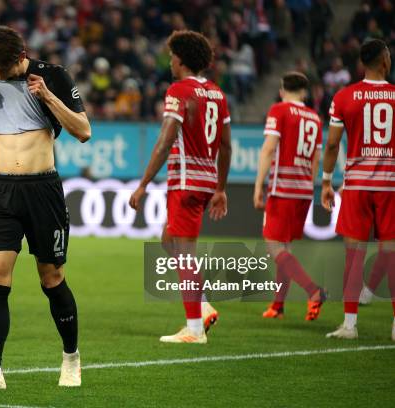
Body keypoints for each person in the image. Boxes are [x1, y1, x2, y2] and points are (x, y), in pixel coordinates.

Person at [0, 26, 91, 390]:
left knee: (52, 279)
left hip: (42, 190)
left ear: (21, 55)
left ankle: (71, 357)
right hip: (1, 191)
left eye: (3, 68)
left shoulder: (52, 77)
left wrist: (48, 98)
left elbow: (83, 130)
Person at [129, 30, 232, 344]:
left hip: (185, 182)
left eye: (172, 55)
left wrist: (143, 183)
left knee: (184, 254)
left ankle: (194, 329)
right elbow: (226, 146)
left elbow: (164, 141)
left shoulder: (178, 90)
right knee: (168, 240)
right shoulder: (217, 92)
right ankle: (201, 305)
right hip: (205, 182)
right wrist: (220, 188)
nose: (169, 60)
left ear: (182, 58)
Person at [322, 39, 395, 340]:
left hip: (357, 184)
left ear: (362, 63)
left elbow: (332, 144)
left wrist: (326, 180)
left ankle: (349, 325)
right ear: (385, 62)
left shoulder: (344, 97)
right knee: (390, 254)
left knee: (353, 253)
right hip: (391, 184)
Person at [254, 72, 327, 320]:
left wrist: (257, 186)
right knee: (285, 247)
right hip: (304, 189)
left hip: (282, 188)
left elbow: (269, 148)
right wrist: (309, 184)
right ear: (305, 93)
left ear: (282, 90)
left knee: (274, 246)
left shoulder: (279, 110)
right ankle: (278, 306)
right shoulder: (315, 118)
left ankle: (313, 290)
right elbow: (316, 159)